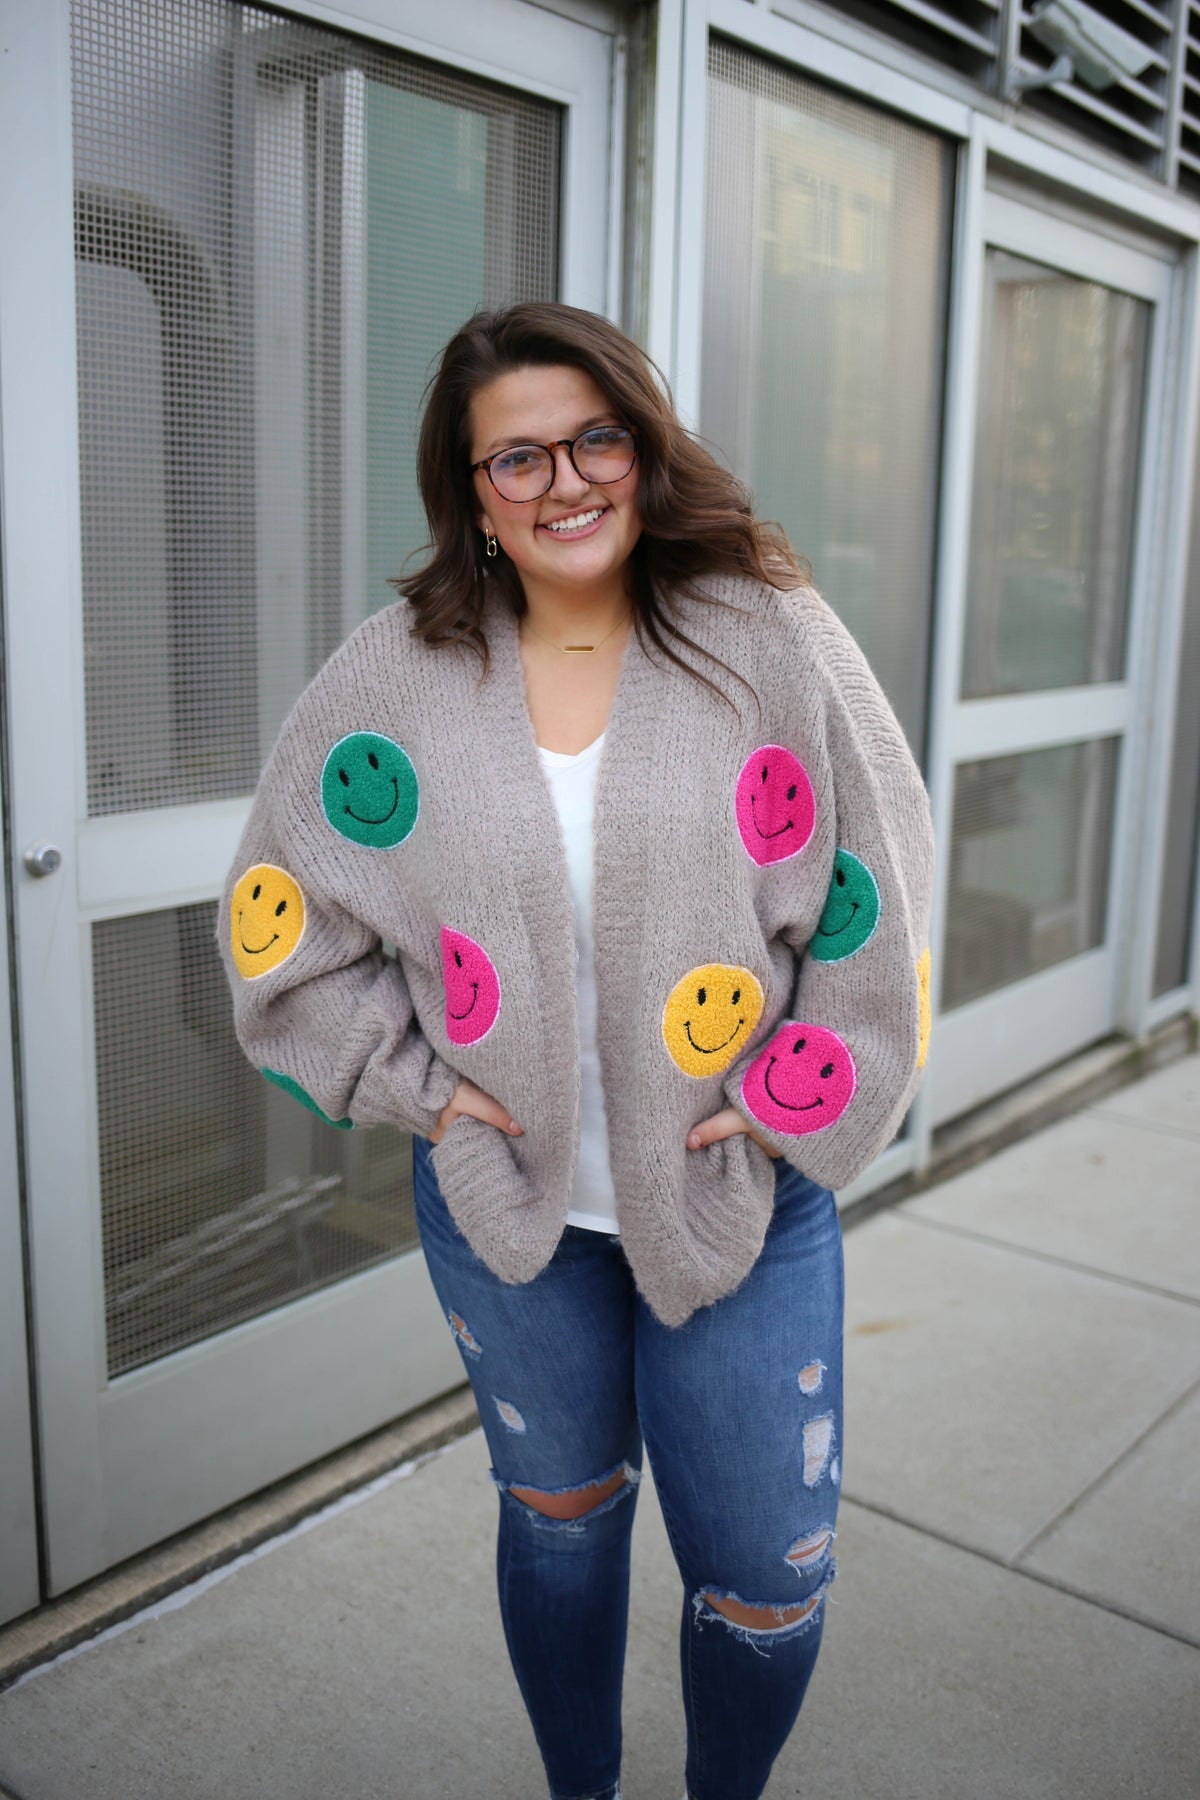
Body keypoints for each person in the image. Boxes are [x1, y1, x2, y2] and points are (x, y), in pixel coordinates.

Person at [221, 302, 934, 1800]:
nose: (566, 481)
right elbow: (280, 929)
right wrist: (416, 1087)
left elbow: (882, 887)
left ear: (645, 442)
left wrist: (810, 1093)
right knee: (558, 1519)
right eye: (518, 457)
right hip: (510, 1213)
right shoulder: (393, 677)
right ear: (470, 493)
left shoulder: (767, 633)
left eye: (596, 435)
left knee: (763, 1581)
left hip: (744, 1204)